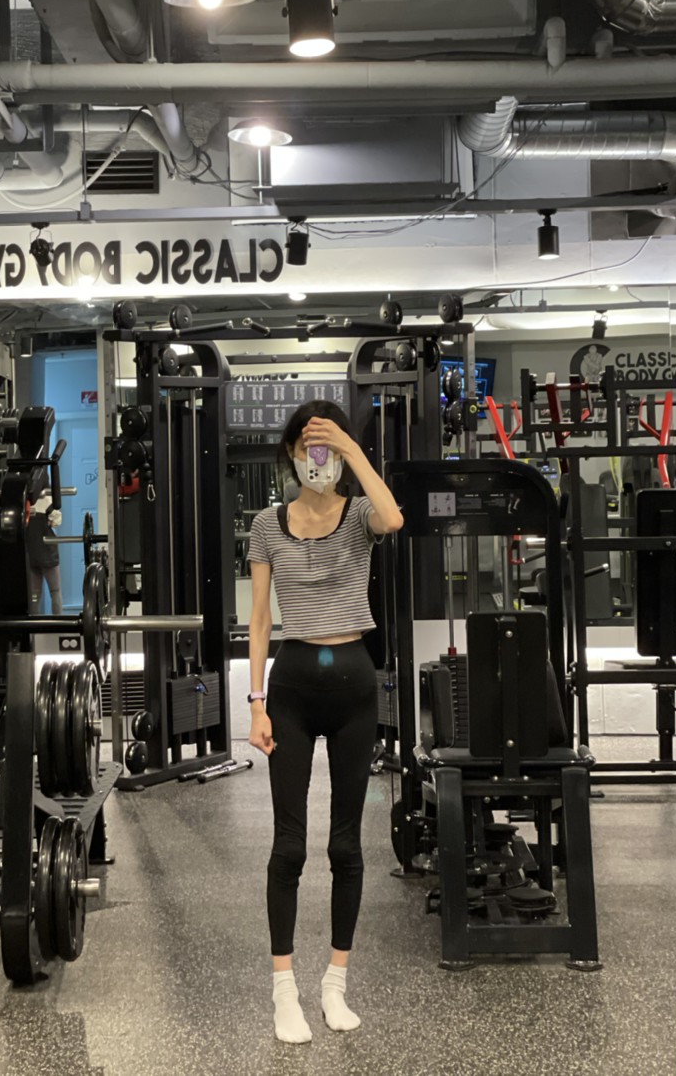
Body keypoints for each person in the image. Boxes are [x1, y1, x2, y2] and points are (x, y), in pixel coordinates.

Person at [247, 400, 404, 1044]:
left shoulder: (361, 514)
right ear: (291, 454)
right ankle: (283, 989)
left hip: (353, 687)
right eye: (310, 447)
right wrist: (255, 701)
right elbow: (260, 617)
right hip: (291, 687)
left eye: (329, 448)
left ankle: (335, 983)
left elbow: (394, 517)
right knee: (289, 846)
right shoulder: (266, 524)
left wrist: (352, 447)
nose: (319, 460)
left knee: (346, 846)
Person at [26, 471, 64, 615]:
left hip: (31, 553)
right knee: (55, 591)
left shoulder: (24, 501)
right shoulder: (47, 499)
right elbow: (56, 521)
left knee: (34, 595)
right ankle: (59, 624)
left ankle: (33, 625)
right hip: (48, 553)